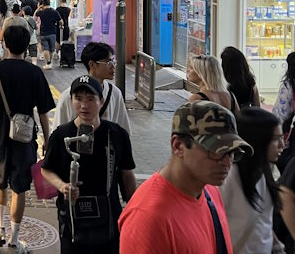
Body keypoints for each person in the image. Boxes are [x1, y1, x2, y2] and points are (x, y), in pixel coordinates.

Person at [118, 100, 253, 253]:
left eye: (232, 152)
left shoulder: (209, 189)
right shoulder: (148, 218)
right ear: (178, 146)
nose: (227, 162)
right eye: (216, 150)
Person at [0, 25, 55, 252]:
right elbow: (44, 112)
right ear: (27, 46)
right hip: (25, 140)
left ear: (4, 43)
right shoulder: (35, 73)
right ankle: (14, 238)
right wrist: (47, 139)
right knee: (19, 188)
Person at [42, 76, 137, 253]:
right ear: (71, 100)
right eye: (78, 99)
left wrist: (135, 209)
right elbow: (46, 170)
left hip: (108, 215)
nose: (84, 105)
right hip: (72, 217)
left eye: (90, 99)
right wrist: (63, 186)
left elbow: (127, 174)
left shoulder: (117, 134)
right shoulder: (61, 135)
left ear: (101, 101)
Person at [219, 107, 285, 253]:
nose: (282, 145)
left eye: (282, 137)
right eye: (276, 139)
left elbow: (263, 221)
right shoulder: (228, 178)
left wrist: (277, 247)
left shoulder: (267, 172)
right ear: (258, 140)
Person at [52, 43, 131, 135]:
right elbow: (57, 131)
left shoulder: (115, 93)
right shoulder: (68, 96)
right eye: (108, 63)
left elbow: (123, 129)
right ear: (92, 64)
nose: (113, 66)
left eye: (113, 62)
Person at [36, 0, 63, 70]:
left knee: (45, 48)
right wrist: (60, 26)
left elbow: (35, 14)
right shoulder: (54, 12)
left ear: (43, 5)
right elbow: (61, 21)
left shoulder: (41, 12)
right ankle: (49, 63)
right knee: (51, 49)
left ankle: (48, 62)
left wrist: (39, 7)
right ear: (49, 4)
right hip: (52, 32)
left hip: (43, 33)